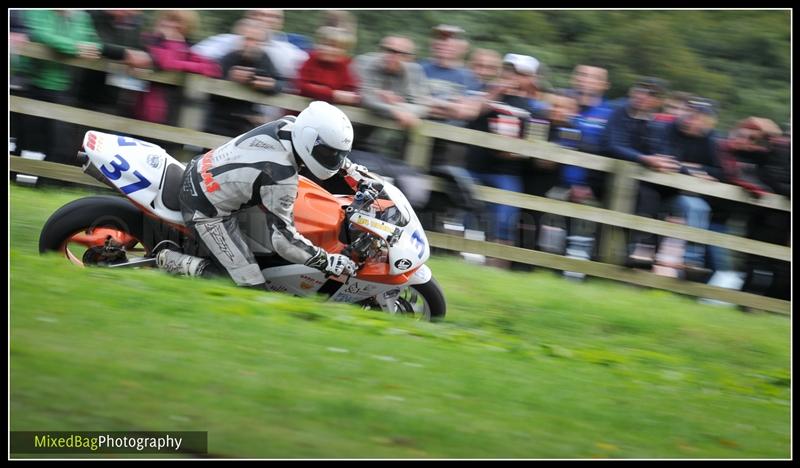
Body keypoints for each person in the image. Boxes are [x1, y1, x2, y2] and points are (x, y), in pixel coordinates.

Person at [158, 101, 364, 288]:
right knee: (250, 287)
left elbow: (332, 155)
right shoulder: (281, 175)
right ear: (309, 139)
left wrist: (355, 174)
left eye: (340, 154)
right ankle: (168, 260)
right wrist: (326, 261)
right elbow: (284, 241)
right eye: (329, 153)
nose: (335, 159)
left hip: (205, 168)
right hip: (206, 208)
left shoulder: (291, 125)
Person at [604, 77, 680, 267]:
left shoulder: (660, 123)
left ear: (658, 100)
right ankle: (637, 249)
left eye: (651, 94)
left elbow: (664, 151)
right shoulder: (620, 112)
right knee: (647, 196)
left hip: (645, 178)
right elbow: (613, 145)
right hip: (613, 176)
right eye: (640, 90)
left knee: (669, 198)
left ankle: (649, 253)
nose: (643, 96)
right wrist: (645, 159)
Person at [204, 18, 283, 137]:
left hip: (247, 126)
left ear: (263, 43)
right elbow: (208, 88)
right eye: (247, 39)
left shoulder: (264, 59)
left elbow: (281, 84)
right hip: (218, 122)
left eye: (256, 41)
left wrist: (268, 84)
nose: (250, 44)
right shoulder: (228, 58)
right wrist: (229, 79)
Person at [295, 26, 360, 106]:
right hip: (302, 109)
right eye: (323, 44)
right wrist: (333, 94)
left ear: (344, 50)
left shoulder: (348, 65)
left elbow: (352, 94)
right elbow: (304, 87)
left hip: (336, 112)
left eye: (334, 46)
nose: (326, 48)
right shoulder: (311, 60)